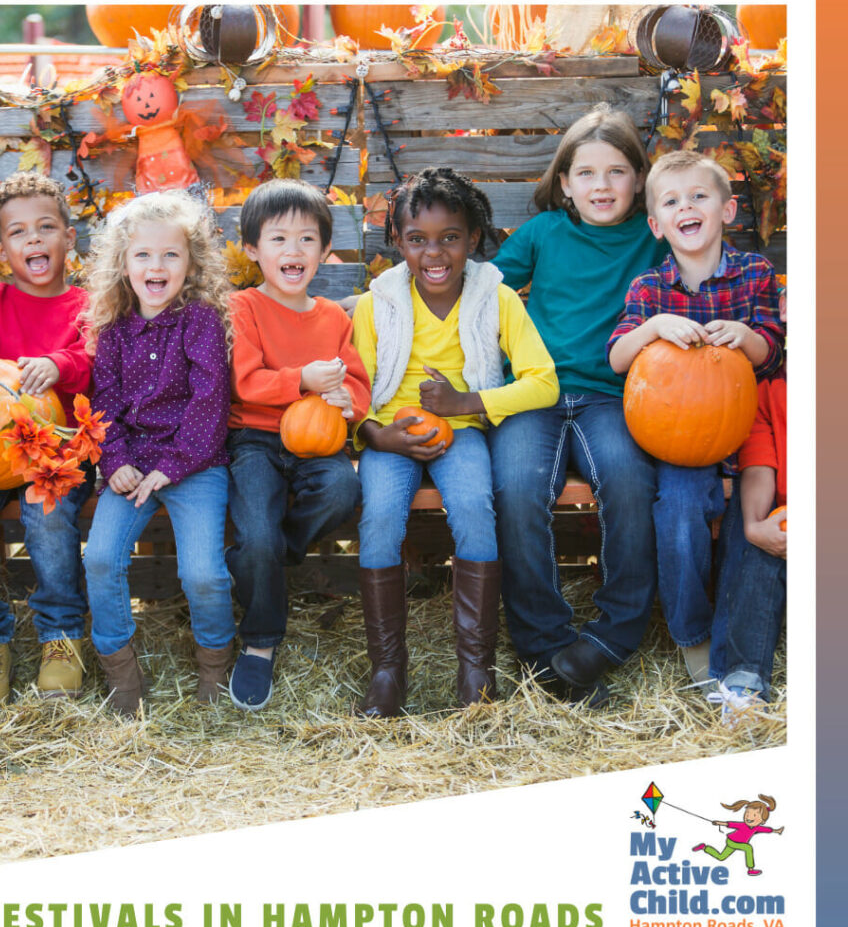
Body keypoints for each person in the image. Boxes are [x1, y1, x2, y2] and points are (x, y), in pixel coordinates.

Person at [352, 167, 558, 716]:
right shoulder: (377, 305)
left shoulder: (499, 299)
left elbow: (544, 382)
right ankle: (388, 672)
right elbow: (355, 389)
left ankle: (476, 670)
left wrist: (466, 404)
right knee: (378, 518)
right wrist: (378, 435)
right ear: (398, 243)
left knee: (473, 506)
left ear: (473, 239)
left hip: (461, 433)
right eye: (417, 240)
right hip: (388, 435)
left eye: (450, 238)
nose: (434, 253)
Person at [489, 104, 668, 704]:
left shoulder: (653, 236)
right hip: (533, 392)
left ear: (639, 180)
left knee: (629, 480)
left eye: (616, 172)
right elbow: (483, 290)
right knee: (515, 486)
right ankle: (545, 645)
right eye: (585, 174)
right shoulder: (543, 233)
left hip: (610, 396)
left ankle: (613, 634)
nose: (601, 186)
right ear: (563, 183)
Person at [608, 150, 784, 690]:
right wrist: (655, 327)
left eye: (699, 196)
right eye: (672, 200)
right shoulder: (650, 291)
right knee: (679, 511)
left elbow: (776, 352)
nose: (687, 206)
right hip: (681, 442)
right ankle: (693, 636)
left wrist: (751, 340)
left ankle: (746, 647)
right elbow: (617, 357)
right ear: (658, 225)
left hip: (751, 435)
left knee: (746, 534)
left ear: (728, 210)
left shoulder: (755, 274)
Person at [0, 171, 94, 709]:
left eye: (46, 227)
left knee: (48, 519)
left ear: (69, 238)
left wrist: (58, 364)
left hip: (55, 449)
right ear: (3, 247)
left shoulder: (87, 304)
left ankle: (60, 633)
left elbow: (94, 356)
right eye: (18, 232)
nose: (33, 239)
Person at [82, 191, 235, 715]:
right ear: (123, 265)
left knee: (204, 573)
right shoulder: (114, 330)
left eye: (171, 254)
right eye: (143, 255)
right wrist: (115, 460)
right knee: (100, 558)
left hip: (195, 463)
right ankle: (121, 673)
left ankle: (216, 665)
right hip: (132, 465)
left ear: (191, 263)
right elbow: (104, 403)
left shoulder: (201, 323)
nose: (157, 265)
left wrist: (169, 468)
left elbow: (209, 406)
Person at [226, 179, 370, 711]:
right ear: (251, 249)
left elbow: (355, 381)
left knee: (341, 491)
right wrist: (303, 380)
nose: (294, 251)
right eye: (279, 239)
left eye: (307, 240)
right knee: (254, 528)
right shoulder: (243, 307)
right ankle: (260, 642)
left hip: (319, 440)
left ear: (325, 251)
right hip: (256, 439)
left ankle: (270, 555)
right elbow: (243, 381)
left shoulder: (333, 317)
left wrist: (347, 401)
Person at [710, 288, 787, 722]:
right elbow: (760, 459)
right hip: (791, 512)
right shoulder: (768, 387)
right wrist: (757, 526)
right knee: (759, 553)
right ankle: (745, 683)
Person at [692, 794, 784, 876]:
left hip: (734, 844)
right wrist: (718, 823)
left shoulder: (756, 828)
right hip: (731, 841)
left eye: (754, 815)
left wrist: (777, 831)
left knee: (721, 857)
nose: (748, 817)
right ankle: (750, 869)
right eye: (747, 814)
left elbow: (767, 830)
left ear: (762, 821)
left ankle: (705, 847)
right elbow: (729, 824)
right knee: (748, 848)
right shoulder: (742, 825)